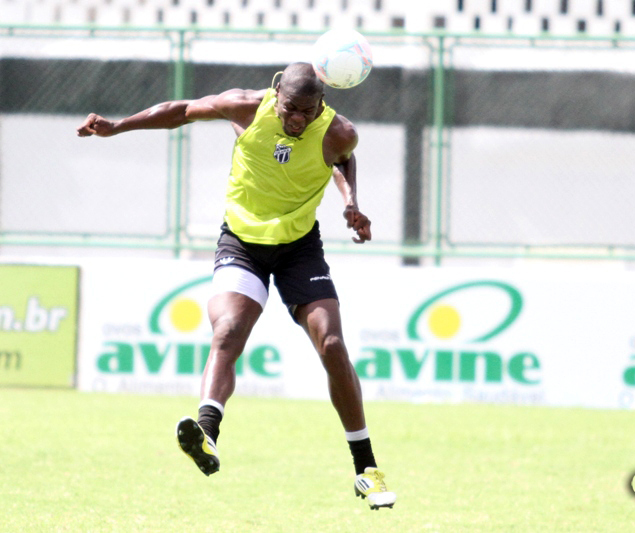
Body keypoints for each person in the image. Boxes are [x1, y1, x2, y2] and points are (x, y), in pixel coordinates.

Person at [76, 62, 396, 510]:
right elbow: (182, 109)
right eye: (290, 109)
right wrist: (119, 126)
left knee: (333, 344)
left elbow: (341, 159)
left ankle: (366, 469)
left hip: (299, 247)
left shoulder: (339, 131)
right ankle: (206, 432)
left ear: (321, 103)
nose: (298, 119)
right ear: (275, 93)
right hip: (242, 241)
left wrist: (352, 203)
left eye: (308, 110)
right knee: (227, 330)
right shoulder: (245, 107)